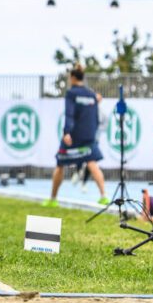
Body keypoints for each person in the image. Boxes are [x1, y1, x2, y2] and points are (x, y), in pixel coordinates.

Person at [43, 65, 107, 207]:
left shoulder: (71, 94)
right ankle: (104, 196)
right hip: (89, 136)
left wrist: (67, 132)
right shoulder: (91, 94)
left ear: (72, 78)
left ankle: (53, 199)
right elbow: (94, 116)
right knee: (92, 163)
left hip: (73, 137)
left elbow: (69, 114)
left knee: (60, 164)